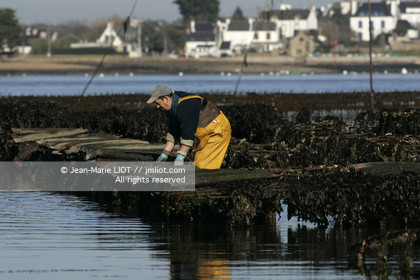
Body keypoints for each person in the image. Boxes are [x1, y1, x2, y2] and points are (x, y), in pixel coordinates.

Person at [147, 85, 231, 169]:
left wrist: (180, 157)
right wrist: (164, 154)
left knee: (203, 167)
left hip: (217, 130)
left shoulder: (186, 105)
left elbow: (188, 133)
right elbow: (174, 130)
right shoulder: (172, 107)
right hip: (206, 131)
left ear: (166, 98)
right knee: (198, 163)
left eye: (157, 103)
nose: (157, 106)